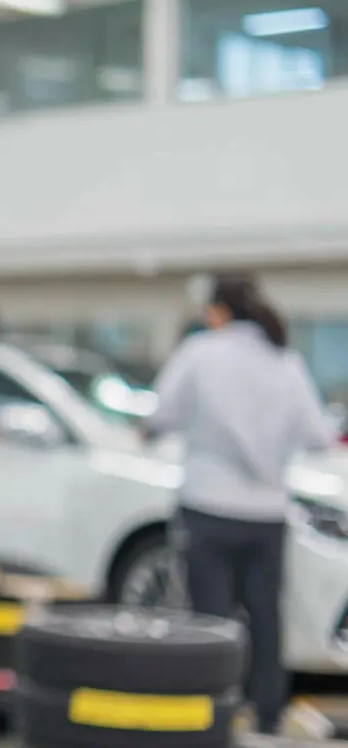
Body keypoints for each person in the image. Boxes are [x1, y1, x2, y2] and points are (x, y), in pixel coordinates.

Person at [146, 273, 338, 735]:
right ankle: (268, 717)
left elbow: (161, 414)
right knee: (266, 617)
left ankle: (212, 715)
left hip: (208, 507)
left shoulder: (200, 354)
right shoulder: (286, 361)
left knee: (210, 620)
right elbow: (318, 434)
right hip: (267, 515)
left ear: (218, 312)